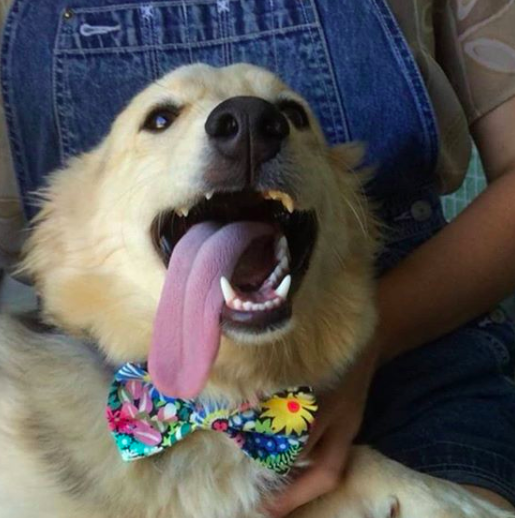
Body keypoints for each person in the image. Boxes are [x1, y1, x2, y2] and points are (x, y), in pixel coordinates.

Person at [1, 0, 514, 515]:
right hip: (66, 393)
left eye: (287, 116)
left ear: (353, 219)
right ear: (68, 219)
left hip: (412, 364)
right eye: (162, 118)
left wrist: (377, 339)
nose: (246, 122)